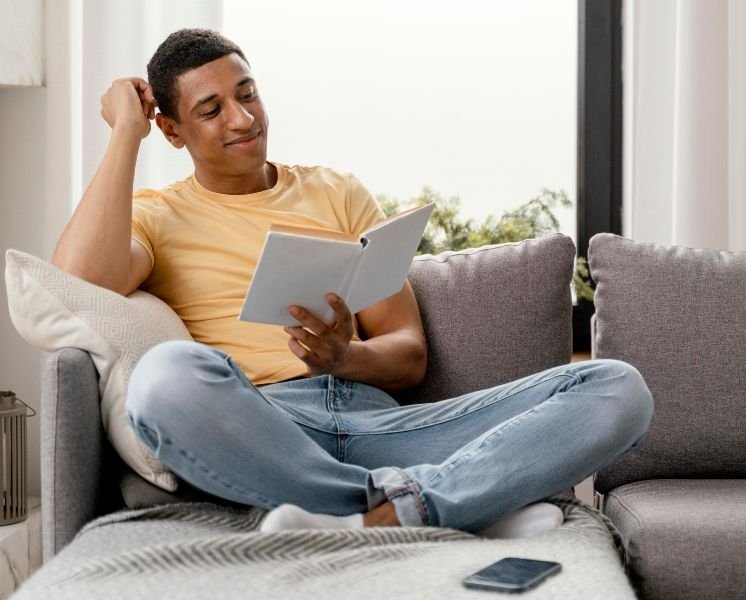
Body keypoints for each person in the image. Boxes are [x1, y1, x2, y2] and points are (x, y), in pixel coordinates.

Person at [52, 28, 653, 537]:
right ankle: (449, 504)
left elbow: (409, 355)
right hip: (267, 428)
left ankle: (388, 511)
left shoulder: (336, 192)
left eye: (248, 94)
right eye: (211, 111)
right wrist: (124, 131)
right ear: (173, 130)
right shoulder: (155, 214)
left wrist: (346, 356)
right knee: (162, 379)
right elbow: (81, 276)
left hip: (384, 426)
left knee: (617, 387)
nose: (242, 119)